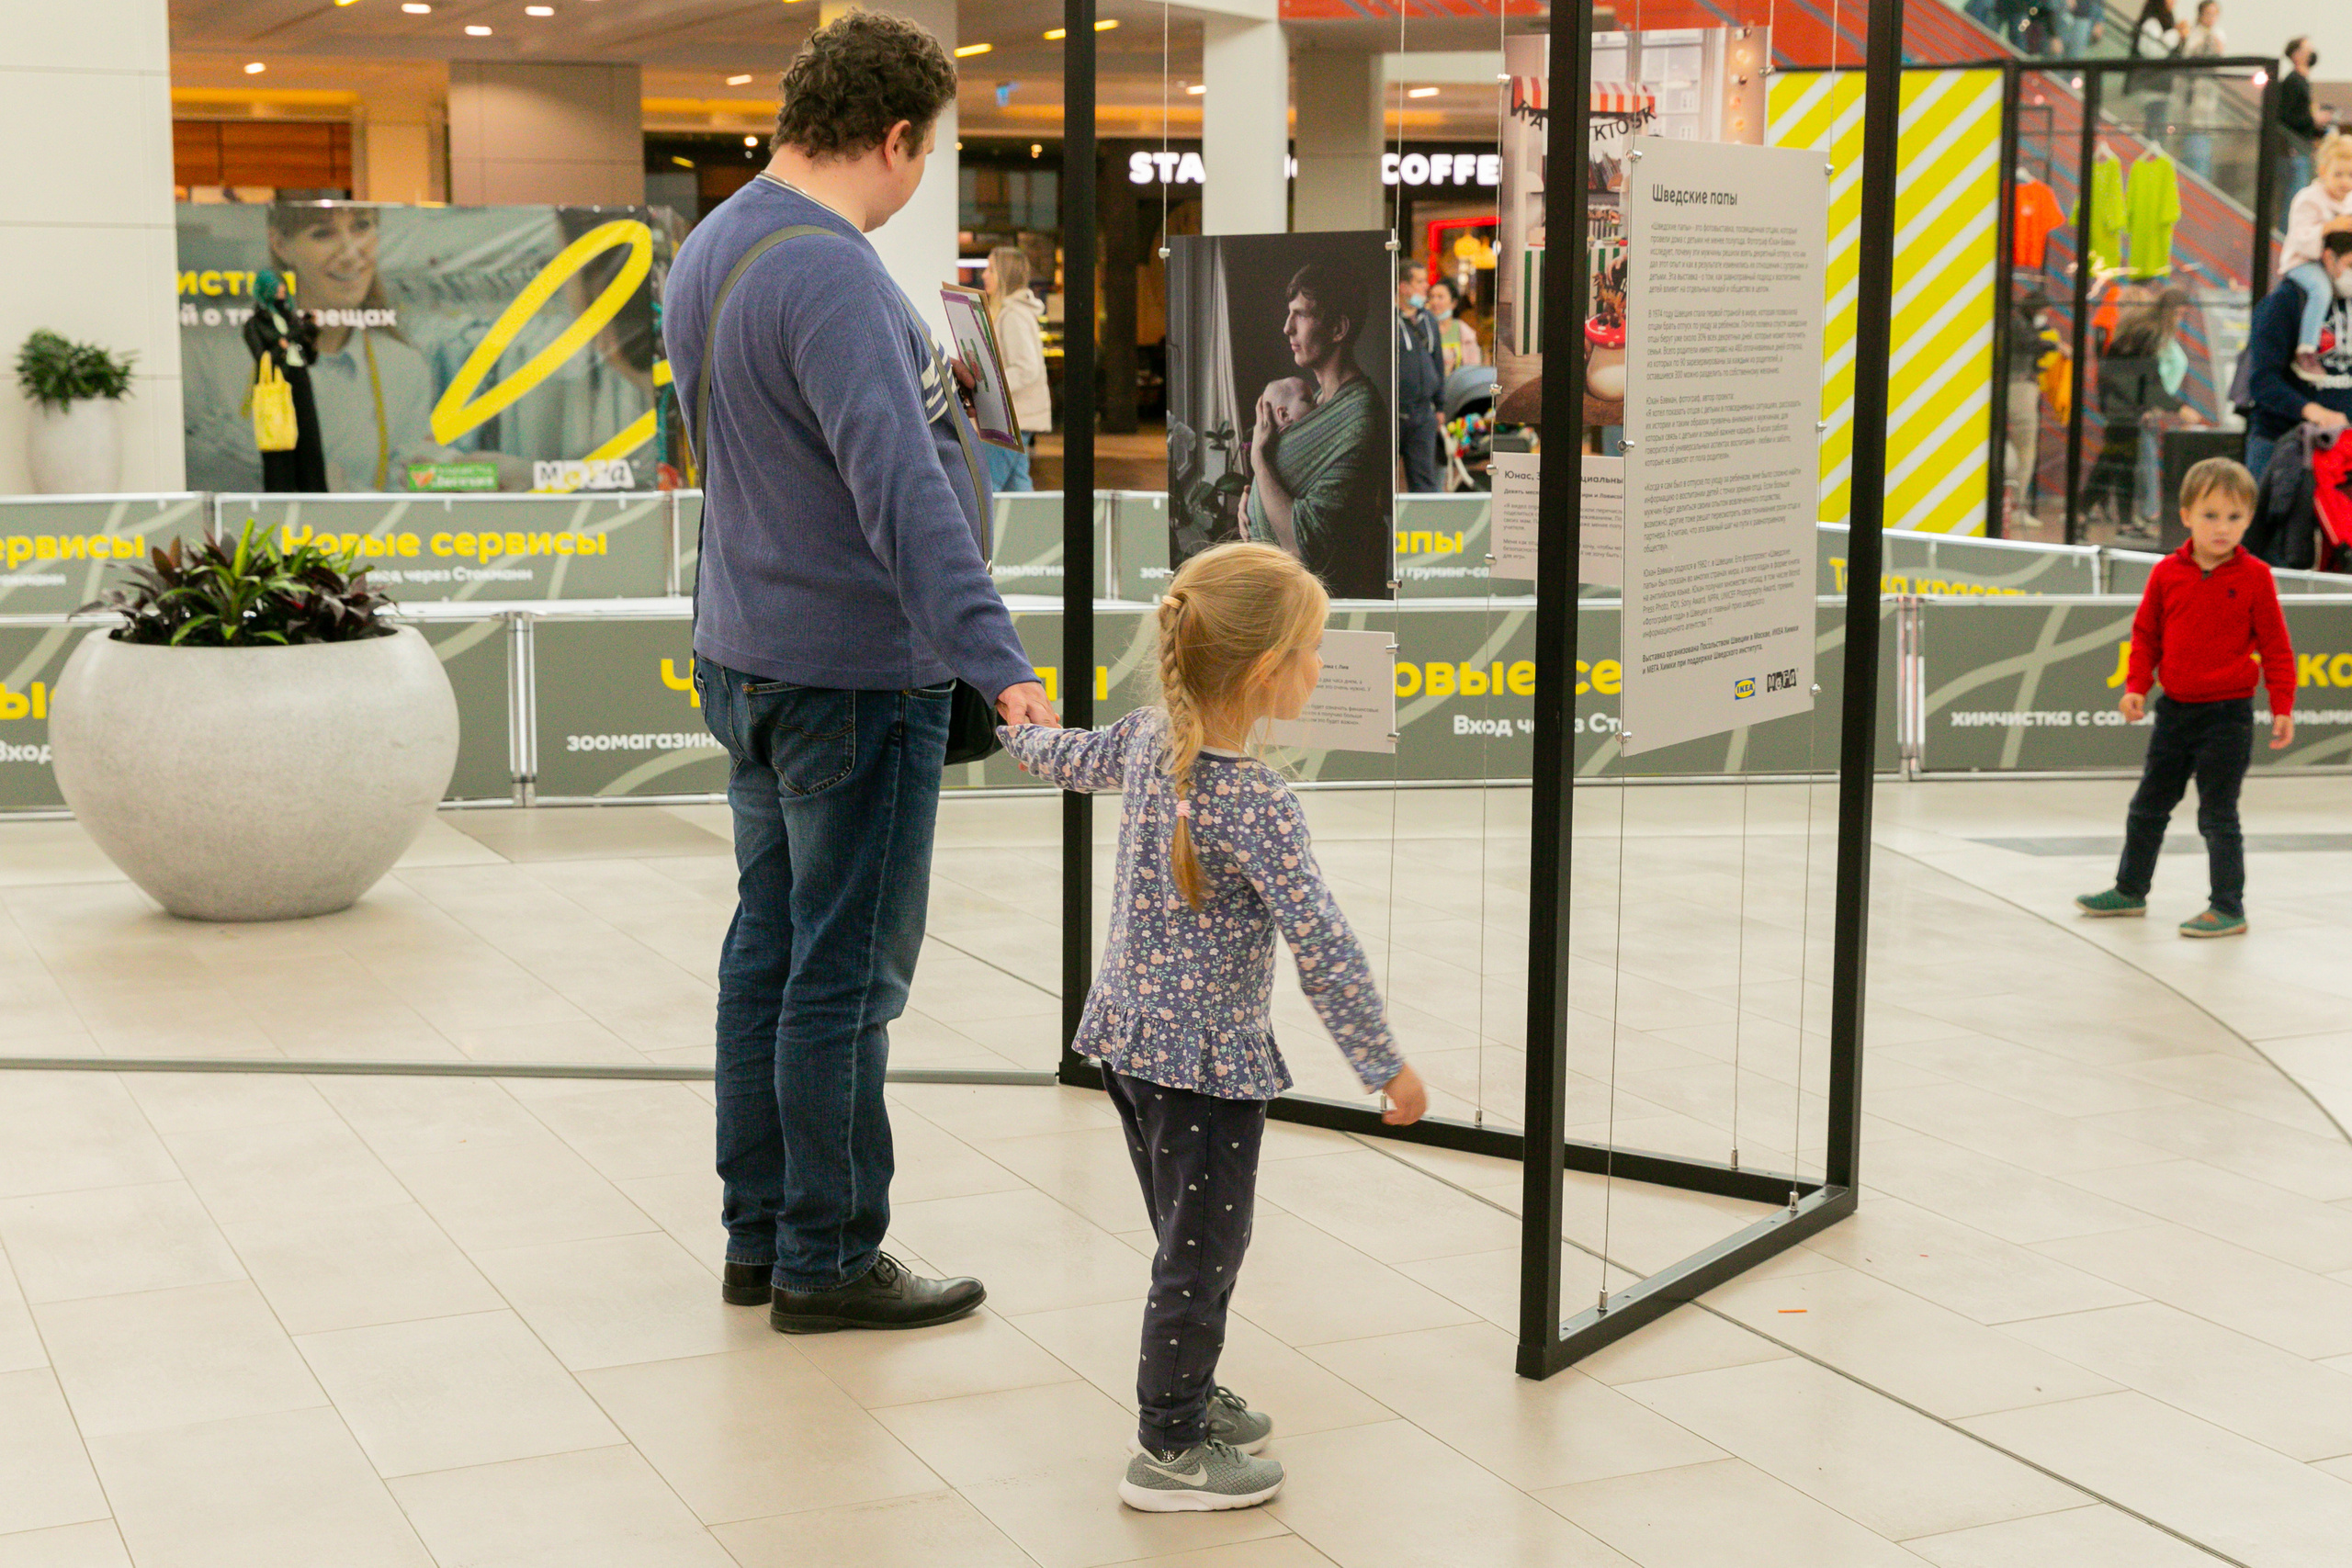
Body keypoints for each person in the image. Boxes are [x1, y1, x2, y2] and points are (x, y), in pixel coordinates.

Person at [663, 11, 1058, 1334]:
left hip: (751, 653)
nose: (915, 180)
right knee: (845, 973)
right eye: (925, 153)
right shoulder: (831, 275)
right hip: (845, 674)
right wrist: (997, 658)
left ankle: (761, 1231)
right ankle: (827, 1255)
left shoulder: (714, 243)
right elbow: (901, 488)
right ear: (895, 139)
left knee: (770, 949)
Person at [998, 541, 1428, 1512]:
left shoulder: (1153, 737)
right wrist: (1382, 1063)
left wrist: (1020, 726)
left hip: (1129, 1046)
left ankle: (1189, 1391)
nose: (1323, 667)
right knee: (1200, 1253)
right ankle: (1169, 1449)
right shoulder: (1258, 801)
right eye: (1314, 649)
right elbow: (1324, 943)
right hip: (1206, 1070)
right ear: (1268, 671)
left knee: (1183, 1234)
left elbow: (1066, 759)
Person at [2076, 458, 2295, 937]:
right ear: (2186, 514)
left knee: (2218, 816)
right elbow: (2146, 635)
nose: (2222, 528)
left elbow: (2277, 648)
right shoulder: (2166, 575)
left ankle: (2228, 907)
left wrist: (2282, 706)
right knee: (2147, 806)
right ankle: (2130, 890)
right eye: (2211, 515)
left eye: (2235, 518)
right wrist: (2136, 686)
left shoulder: (2256, 577)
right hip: (2174, 713)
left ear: (2249, 519)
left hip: (2228, 717)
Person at [261, 204, 439, 491]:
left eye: (361, 227)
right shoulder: (224, 358)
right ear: (281, 245)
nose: (350, 252)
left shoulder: (403, 367)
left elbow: (409, 483)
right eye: (323, 234)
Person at [1240, 262, 1390, 599]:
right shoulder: (1320, 401)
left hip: (1330, 603)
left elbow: (1302, 540)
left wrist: (1259, 463)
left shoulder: (1359, 416)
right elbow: (1294, 480)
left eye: (1300, 315)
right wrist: (1251, 499)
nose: (1286, 328)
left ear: (1338, 329)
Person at [2082, 290, 2203, 537]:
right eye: (2179, 314)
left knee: (2122, 464)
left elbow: (2144, 378)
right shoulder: (2149, 331)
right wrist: (2177, 407)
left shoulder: (2145, 328)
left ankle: (2123, 523)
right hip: (2122, 404)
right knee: (2112, 463)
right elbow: (2147, 378)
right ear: (2169, 311)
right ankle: (2081, 511)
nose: (2180, 319)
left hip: (2123, 402)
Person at [2242, 230, 2352, 482]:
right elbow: (2262, 381)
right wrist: (2314, 411)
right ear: (2328, 257)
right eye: (2350, 265)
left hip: (2342, 449)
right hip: (2280, 444)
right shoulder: (2286, 301)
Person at [241, 270, 327, 493]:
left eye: (282, 288)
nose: (281, 293)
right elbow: (263, 357)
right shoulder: (254, 324)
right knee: (279, 439)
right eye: (276, 288)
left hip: (299, 378)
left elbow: (310, 357)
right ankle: (281, 493)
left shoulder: (290, 317)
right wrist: (290, 337)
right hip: (276, 384)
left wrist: (310, 331)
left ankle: (314, 491)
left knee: (308, 438)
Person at [2279, 134, 2352, 372]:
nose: (2345, 182)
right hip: (2303, 262)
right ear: (2323, 171)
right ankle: (2306, 350)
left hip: (2335, 264)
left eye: (2350, 176)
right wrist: (2329, 227)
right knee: (2321, 289)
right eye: (2338, 175)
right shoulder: (2308, 199)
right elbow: (2301, 240)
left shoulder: (2349, 201)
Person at [984, 244, 1050, 491]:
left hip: (1011, 418)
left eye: (990, 269)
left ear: (1004, 274)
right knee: (1017, 486)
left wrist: (988, 387)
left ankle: (985, 532)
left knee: (987, 488)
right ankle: (1032, 530)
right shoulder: (1010, 312)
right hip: (1015, 416)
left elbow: (1026, 368)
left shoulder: (1012, 315)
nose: (984, 275)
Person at [1396, 261, 1446, 493]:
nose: (1427, 286)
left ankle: (1428, 529)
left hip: (1423, 414)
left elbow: (1437, 364)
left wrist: (1440, 406)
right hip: (1393, 415)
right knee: (1383, 485)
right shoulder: (1388, 320)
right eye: (1420, 281)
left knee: (1425, 484)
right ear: (1403, 286)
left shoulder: (1429, 320)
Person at [2276, 38, 2337, 226]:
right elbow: (2285, 117)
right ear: (2296, 54)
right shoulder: (2293, 81)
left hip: (2301, 147)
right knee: (2295, 199)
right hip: (2294, 149)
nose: (2311, 52)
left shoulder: (2300, 80)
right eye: (2307, 49)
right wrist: (2314, 119)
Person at [2176, 1, 2225, 179]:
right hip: (2193, 97)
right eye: (2208, 13)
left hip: (2209, 97)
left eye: (2214, 14)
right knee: (2194, 144)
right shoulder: (2194, 34)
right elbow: (2189, 57)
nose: (2211, 18)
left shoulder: (2218, 35)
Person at [1426, 277, 1483, 372]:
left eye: (1440, 297)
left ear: (1453, 303)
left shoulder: (1465, 332)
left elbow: (1474, 369)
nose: (1435, 302)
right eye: (1432, 297)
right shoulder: (1424, 328)